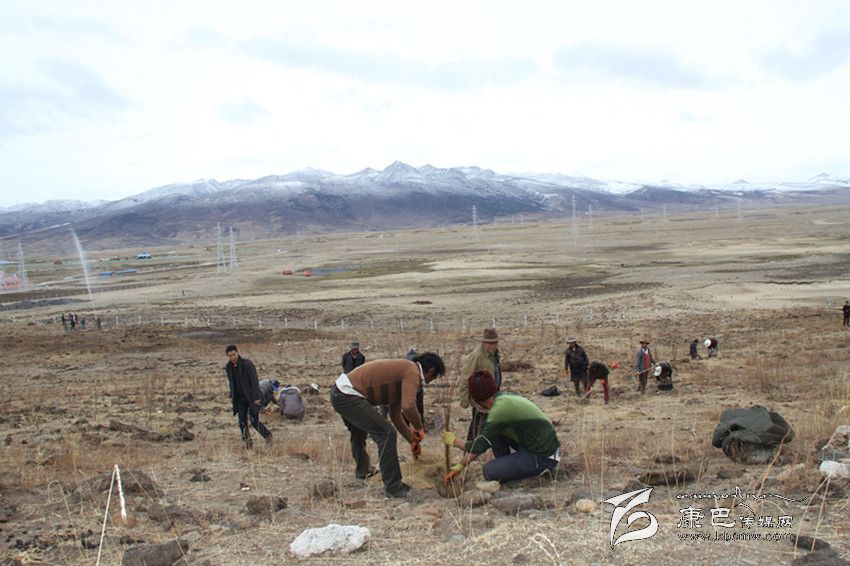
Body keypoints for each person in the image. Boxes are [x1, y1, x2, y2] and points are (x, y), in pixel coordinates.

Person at [331, 352, 446, 498]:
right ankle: (394, 487)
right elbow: (409, 407)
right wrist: (419, 427)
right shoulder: (412, 371)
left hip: (340, 392)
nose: (428, 383)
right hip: (347, 394)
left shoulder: (403, 372)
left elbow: (395, 415)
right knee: (387, 434)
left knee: (359, 431)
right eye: (432, 378)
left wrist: (412, 440)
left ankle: (363, 470)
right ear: (430, 371)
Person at [442, 370, 560, 483]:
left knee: (489, 471)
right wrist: (460, 465)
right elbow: (484, 441)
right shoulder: (503, 399)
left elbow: (478, 447)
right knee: (496, 435)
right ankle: (508, 466)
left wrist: (454, 441)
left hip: (545, 457)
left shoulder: (499, 412)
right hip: (542, 448)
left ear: (478, 400)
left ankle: (516, 470)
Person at [458, 328, 502, 443]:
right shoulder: (477, 356)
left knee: (489, 426)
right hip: (481, 400)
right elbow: (465, 377)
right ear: (483, 342)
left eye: (494, 343)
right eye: (489, 343)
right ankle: (470, 449)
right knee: (477, 427)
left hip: (492, 397)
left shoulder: (494, 354)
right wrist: (464, 400)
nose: (492, 346)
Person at [224, 345, 273, 449]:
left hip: (252, 397)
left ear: (237, 353)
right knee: (242, 422)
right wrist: (232, 393)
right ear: (228, 356)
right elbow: (231, 382)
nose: (233, 357)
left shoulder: (247, 364)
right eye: (230, 356)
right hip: (239, 399)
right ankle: (248, 443)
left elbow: (254, 381)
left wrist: (256, 398)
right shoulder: (228, 367)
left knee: (254, 420)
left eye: (234, 354)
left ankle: (268, 435)